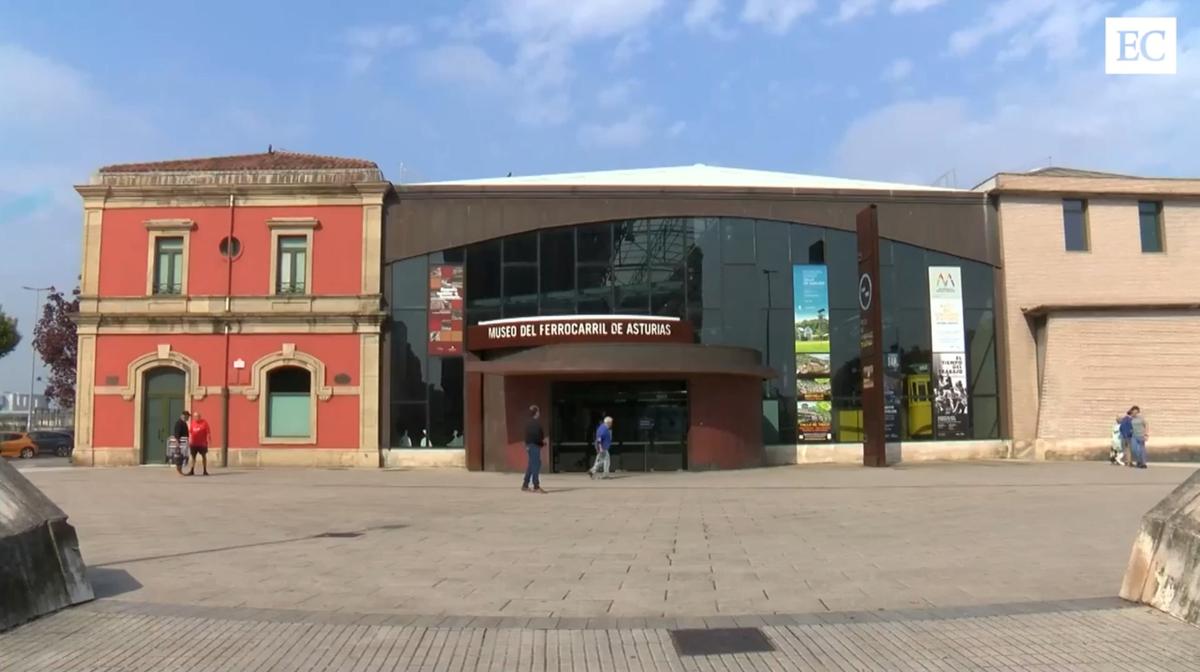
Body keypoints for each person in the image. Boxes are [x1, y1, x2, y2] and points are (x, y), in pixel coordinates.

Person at [522, 405, 546, 493]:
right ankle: (536, 486)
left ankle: (525, 484)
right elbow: (538, 436)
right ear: (536, 413)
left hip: (529, 446)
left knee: (531, 464)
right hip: (535, 446)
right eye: (538, 411)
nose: (539, 413)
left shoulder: (528, 423)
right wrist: (542, 443)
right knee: (536, 465)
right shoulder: (536, 424)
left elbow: (528, 436)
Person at [187, 411, 211, 476]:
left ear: (200, 417)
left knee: (204, 456)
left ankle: (205, 470)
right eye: (194, 416)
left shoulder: (204, 423)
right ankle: (192, 470)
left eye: (197, 416)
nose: (195, 418)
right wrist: (189, 441)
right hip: (194, 444)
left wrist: (209, 441)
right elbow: (190, 433)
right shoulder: (192, 423)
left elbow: (208, 432)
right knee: (193, 457)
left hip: (202, 444)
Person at [170, 410, 190, 476]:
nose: (188, 418)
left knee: (182, 457)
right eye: (187, 416)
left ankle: (180, 470)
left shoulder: (183, 423)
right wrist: (177, 443)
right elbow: (177, 433)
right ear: (184, 416)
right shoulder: (179, 423)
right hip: (180, 443)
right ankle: (179, 471)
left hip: (183, 443)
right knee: (179, 457)